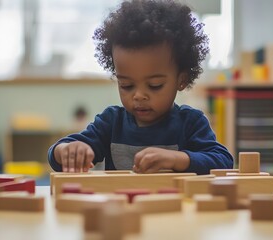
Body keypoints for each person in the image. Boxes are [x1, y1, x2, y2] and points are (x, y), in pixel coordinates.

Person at [48, 0, 233, 175]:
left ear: (181, 80)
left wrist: (178, 159)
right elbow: (56, 156)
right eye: (126, 85)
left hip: (174, 207)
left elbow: (223, 161)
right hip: (123, 207)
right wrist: (68, 150)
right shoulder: (111, 123)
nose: (138, 95)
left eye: (154, 86)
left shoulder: (191, 123)